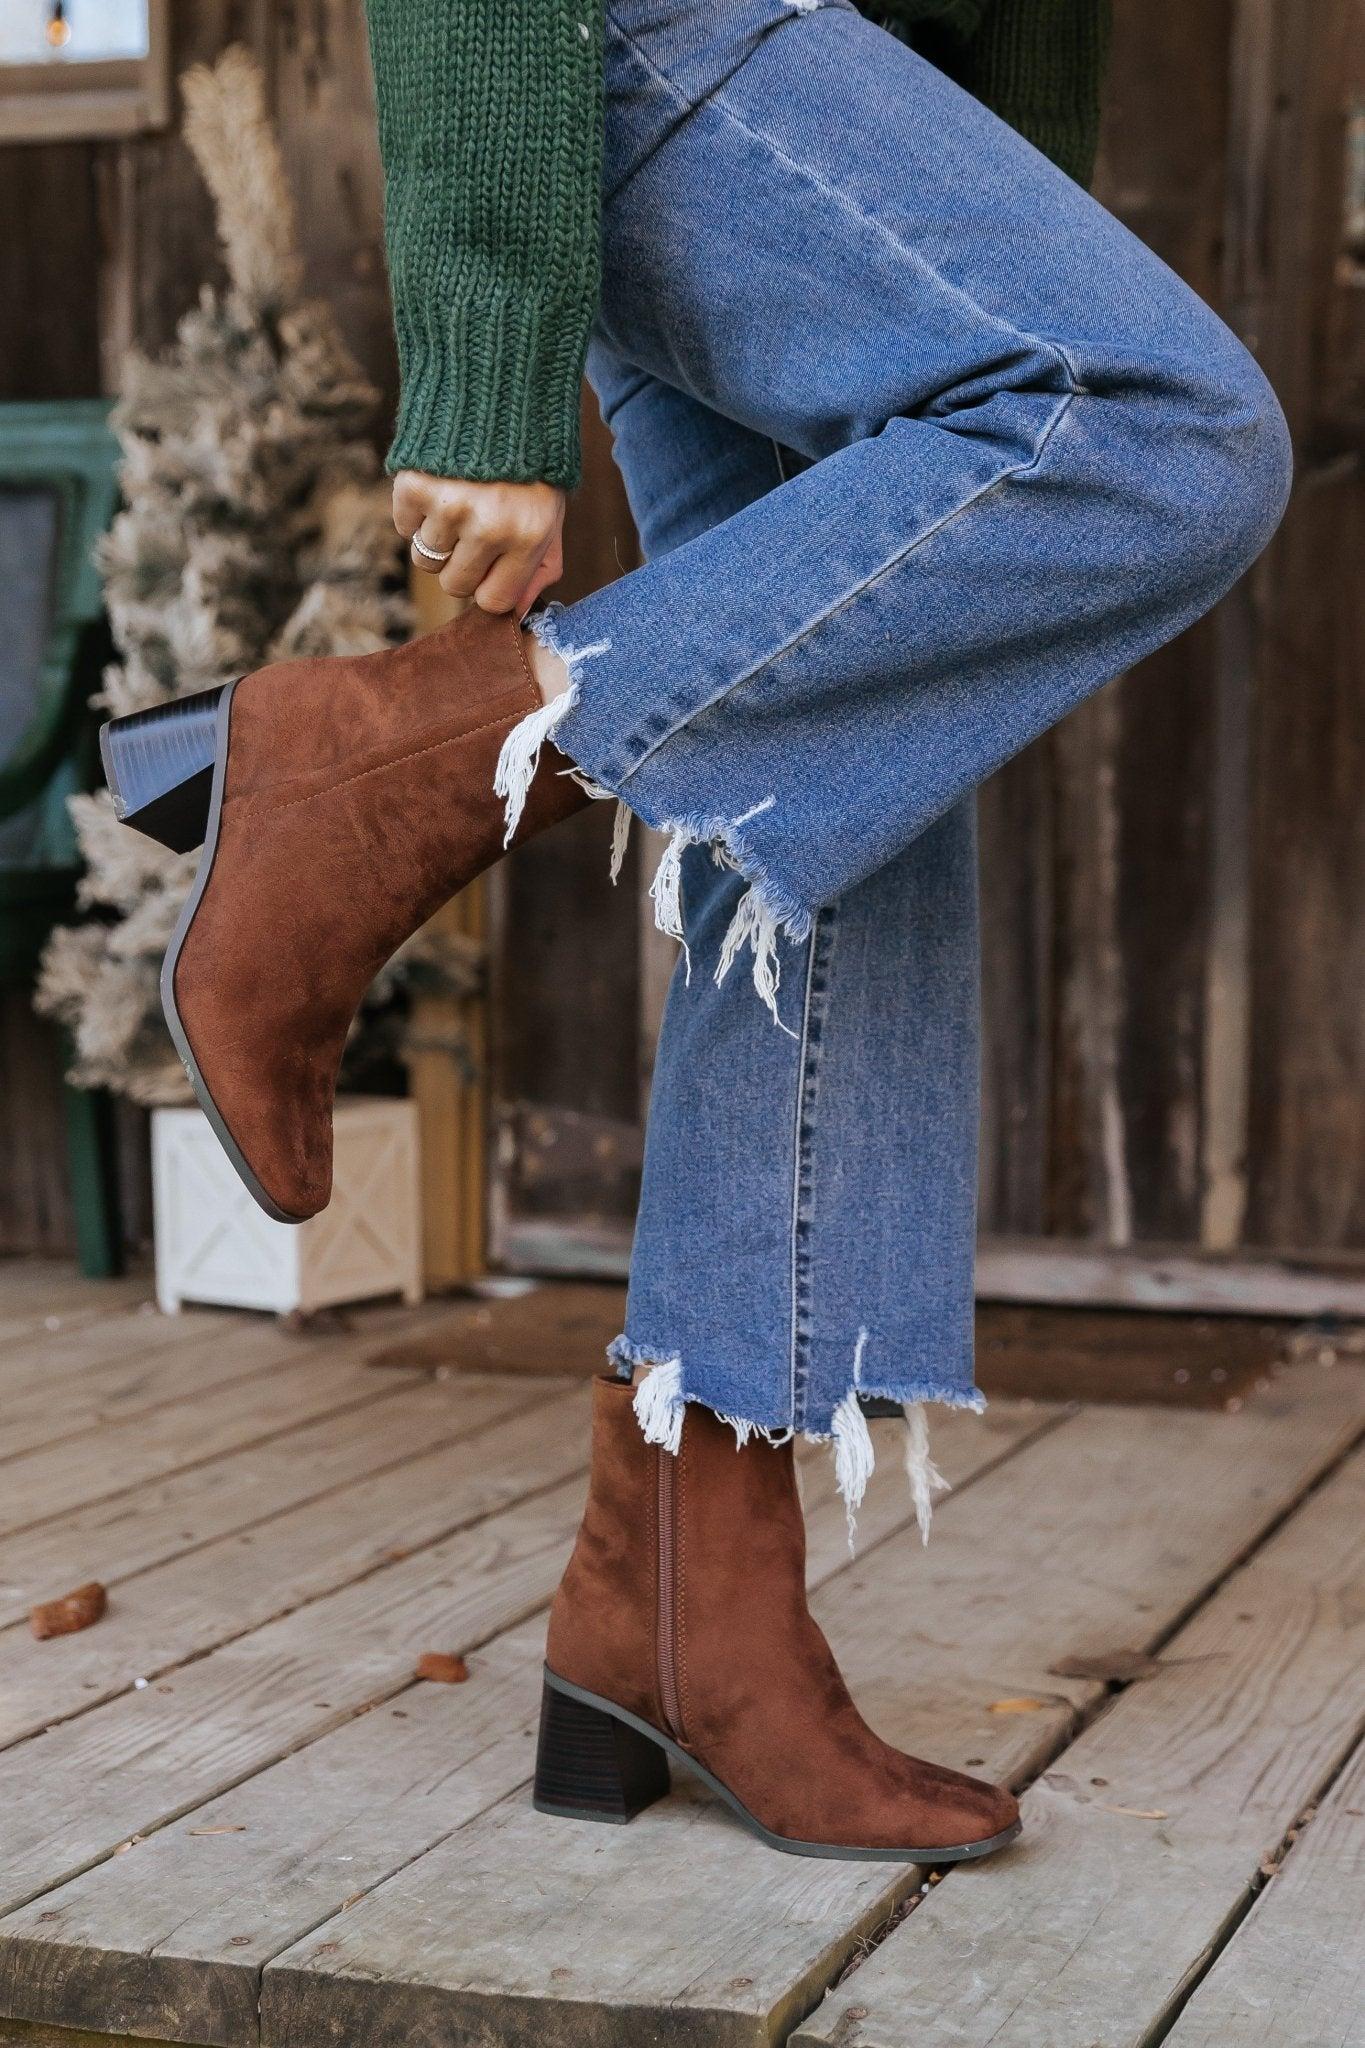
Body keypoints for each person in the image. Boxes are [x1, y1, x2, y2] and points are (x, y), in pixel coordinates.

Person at [101, 0, 1291, 1862]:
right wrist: (490, 356)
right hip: (653, 24)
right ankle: (375, 780)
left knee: (843, 771)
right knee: (1160, 427)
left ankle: (677, 1609)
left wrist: (980, 158)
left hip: (848, 66)